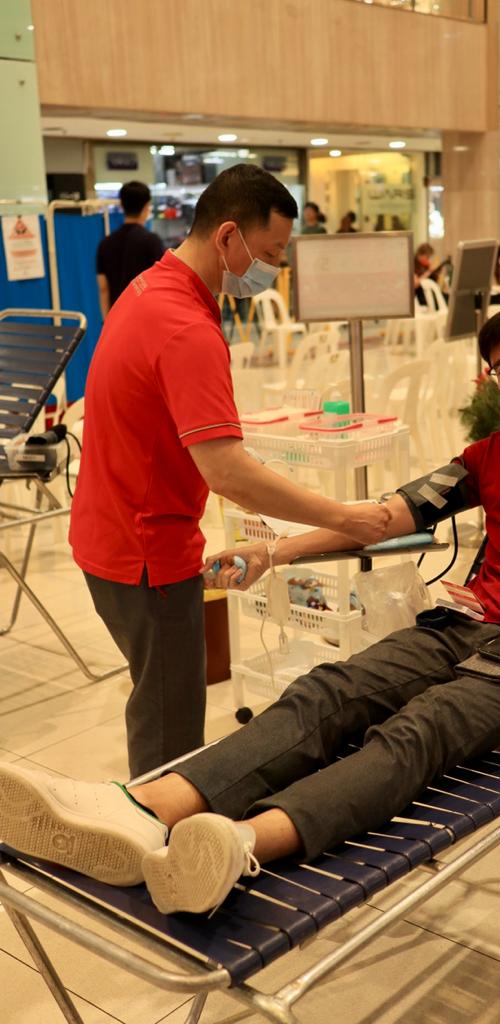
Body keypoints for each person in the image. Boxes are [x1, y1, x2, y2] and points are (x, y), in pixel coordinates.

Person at [4, 303, 500, 915]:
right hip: (467, 624)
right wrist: (280, 552)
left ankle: (237, 846)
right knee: (328, 691)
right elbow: (387, 515)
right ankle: (144, 810)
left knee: (426, 725)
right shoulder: (489, 457)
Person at [69, 164, 390, 779]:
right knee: (168, 734)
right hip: (145, 555)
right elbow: (226, 472)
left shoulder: (148, 290)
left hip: (108, 535)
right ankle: (157, 854)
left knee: (157, 703)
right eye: (269, 253)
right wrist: (344, 517)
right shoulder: (186, 327)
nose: (273, 270)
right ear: (226, 238)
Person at [96, 181, 165, 317]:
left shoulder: (105, 244)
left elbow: (103, 288)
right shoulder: (152, 241)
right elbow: (161, 284)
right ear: (147, 206)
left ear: (121, 205)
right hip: (145, 316)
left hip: (117, 318)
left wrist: (107, 321)